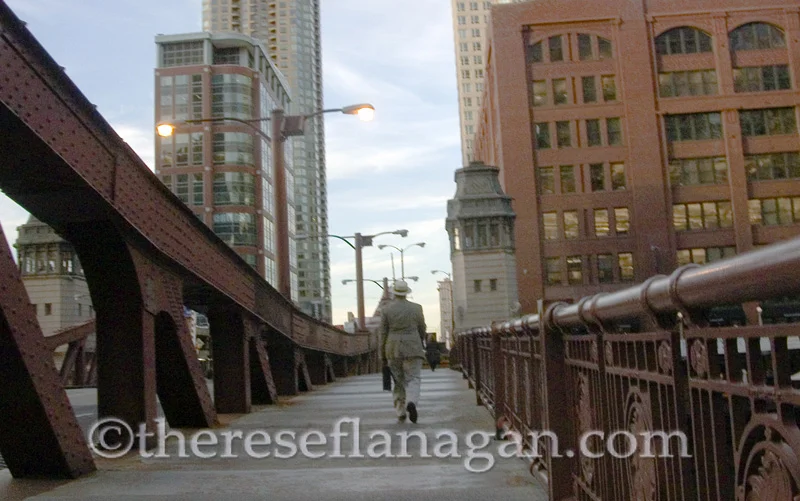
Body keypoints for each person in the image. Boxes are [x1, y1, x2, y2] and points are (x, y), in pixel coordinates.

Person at [381, 279, 426, 423]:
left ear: (395, 293)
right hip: (413, 346)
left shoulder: (386, 309)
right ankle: (411, 402)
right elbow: (422, 328)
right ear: (406, 293)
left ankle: (400, 411)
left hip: (393, 348)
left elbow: (383, 333)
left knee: (398, 381)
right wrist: (420, 341)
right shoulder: (417, 308)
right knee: (413, 378)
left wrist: (382, 353)